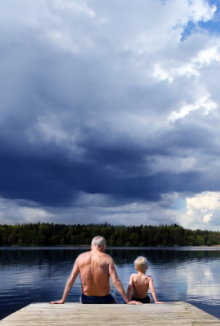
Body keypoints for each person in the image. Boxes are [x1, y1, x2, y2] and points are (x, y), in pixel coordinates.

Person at [50, 236, 138, 304]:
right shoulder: (107, 259)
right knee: (114, 294)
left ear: (92, 245)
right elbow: (116, 281)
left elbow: (71, 278)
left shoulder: (80, 257)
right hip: (105, 299)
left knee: (82, 296)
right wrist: (127, 300)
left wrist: (63, 299)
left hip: (86, 299)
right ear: (103, 247)